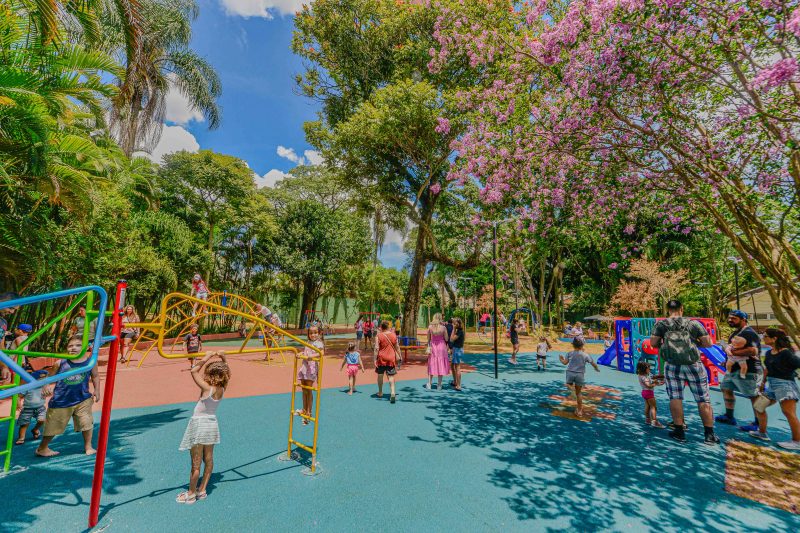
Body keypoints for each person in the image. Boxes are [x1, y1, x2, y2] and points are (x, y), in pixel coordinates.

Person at [650, 299, 719, 445]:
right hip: (693, 364)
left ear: (667, 309)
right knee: (703, 398)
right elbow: (708, 343)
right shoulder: (692, 323)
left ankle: (679, 431)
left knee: (675, 397)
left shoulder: (661, 325)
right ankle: (709, 434)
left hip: (672, 365)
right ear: (682, 308)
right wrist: (695, 343)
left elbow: (653, 344)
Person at [176, 351, 230, 505]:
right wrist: (223, 358)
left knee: (196, 463)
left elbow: (193, 371)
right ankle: (202, 490)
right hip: (211, 424)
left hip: (199, 425)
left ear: (210, 374)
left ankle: (191, 493)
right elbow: (227, 372)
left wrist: (206, 357)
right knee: (209, 459)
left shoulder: (208, 388)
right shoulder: (222, 388)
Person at [36, 335, 101, 457]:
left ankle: (88, 446)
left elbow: (95, 376)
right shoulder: (60, 363)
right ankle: (42, 448)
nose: (73, 348)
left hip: (83, 398)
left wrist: (97, 390)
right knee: (53, 426)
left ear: (86, 347)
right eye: (70, 345)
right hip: (61, 401)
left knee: (86, 423)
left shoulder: (91, 362)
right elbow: (49, 378)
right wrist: (46, 386)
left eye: (78, 345)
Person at [750, 329, 800, 449]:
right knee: (758, 406)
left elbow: (798, 364)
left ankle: (797, 441)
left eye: (765, 336)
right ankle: (762, 433)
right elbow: (767, 369)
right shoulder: (768, 353)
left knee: (788, 413)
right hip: (772, 385)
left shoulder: (786, 353)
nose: (763, 337)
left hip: (785, 385)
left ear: (774, 338)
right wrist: (763, 382)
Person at [715, 310, 763, 432]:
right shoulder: (735, 333)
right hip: (732, 370)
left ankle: (758, 423)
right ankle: (729, 416)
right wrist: (727, 361)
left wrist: (732, 353)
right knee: (726, 388)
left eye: (734, 318)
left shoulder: (749, 333)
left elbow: (753, 351)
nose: (730, 320)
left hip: (749, 370)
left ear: (743, 320)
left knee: (753, 396)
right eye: (729, 318)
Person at [559, 337, 599, 417]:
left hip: (570, 373)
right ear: (582, 346)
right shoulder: (585, 355)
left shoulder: (569, 353)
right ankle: (580, 411)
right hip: (580, 374)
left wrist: (561, 359)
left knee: (568, 385)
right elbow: (593, 363)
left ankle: (572, 390)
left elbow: (564, 363)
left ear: (573, 345)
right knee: (579, 393)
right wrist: (596, 368)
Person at [295, 326, 324, 424]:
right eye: (311, 333)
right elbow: (306, 352)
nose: (313, 335)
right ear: (308, 334)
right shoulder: (308, 342)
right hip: (304, 367)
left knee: (309, 390)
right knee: (304, 390)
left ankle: (309, 412)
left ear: (319, 333)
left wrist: (312, 355)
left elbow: (321, 353)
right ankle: (304, 409)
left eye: (315, 332)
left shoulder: (318, 343)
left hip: (311, 368)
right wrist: (300, 353)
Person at [15, 366, 49, 445]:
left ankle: (35, 429)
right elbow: (18, 396)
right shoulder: (28, 387)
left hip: (40, 407)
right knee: (24, 424)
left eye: (45, 378)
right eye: (41, 378)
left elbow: (48, 376)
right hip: (28, 409)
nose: (44, 380)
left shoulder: (44, 386)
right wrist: (18, 404)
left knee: (42, 420)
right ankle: (21, 438)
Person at [374, 320, 401, 403]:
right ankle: (392, 392)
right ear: (388, 327)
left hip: (381, 358)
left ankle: (380, 392)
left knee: (380, 375)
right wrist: (400, 356)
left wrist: (374, 359)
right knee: (391, 376)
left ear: (381, 327)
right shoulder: (393, 335)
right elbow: (397, 347)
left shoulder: (378, 336)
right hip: (391, 358)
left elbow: (376, 348)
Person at [426, 313, 451, 390]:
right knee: (440, 364)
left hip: (433, 346)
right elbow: (446, 339)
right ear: (440, 318)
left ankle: (429, 384)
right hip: (441, 347)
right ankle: (439, 385)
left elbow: (428, 339)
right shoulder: (443, 328)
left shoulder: (430, 327)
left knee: (432, 364)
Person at [637, 360, 665, 428]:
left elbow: (651, 380)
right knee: (654, 407)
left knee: (648, 406)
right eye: (648, 368)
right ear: (644, 369)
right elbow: (648, 385)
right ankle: (654, 421)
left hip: (644, 392)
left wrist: (656, 381)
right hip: (649, 393)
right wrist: (656, 383)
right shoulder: (645, 377)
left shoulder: (642, 375)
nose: (649, 370)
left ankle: (648, 419)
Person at [449, 318, 466, 391]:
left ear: (459, 324)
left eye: (456, 323)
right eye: (454, 323)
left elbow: (451, 339)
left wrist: (453, 329)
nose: (454, 324)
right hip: (456, 349)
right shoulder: (459, 331)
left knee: (457, 367)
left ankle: (458, 385)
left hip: (458, 350)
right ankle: (455, 381)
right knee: (452, 365)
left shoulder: (459, 332)